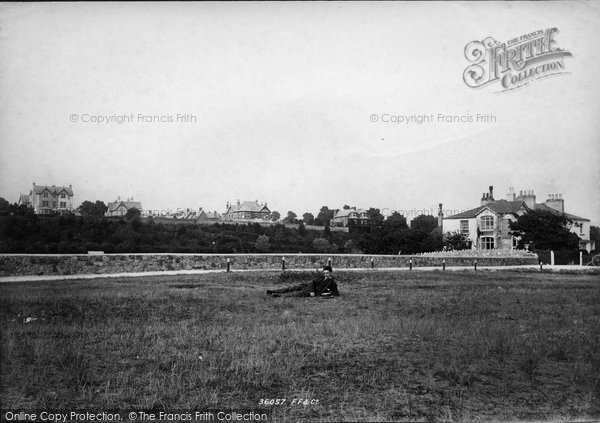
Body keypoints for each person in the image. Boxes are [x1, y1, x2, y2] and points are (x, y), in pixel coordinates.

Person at [266, 266, 339, 298]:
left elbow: (336, 294)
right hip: (309, 287)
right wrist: (312, 291)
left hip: (313, 291)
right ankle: (273, 291)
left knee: (296, 294)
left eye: (327, 273)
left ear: (330, 273)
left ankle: (278, 296)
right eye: (324, 273)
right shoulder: (321, 277)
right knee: (292, 288)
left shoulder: (332, 283)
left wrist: (327, 294)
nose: (325, 274)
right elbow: (312, 282)